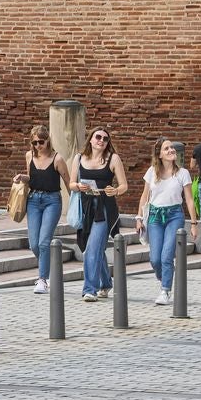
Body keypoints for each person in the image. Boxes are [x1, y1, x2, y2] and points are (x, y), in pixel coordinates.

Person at [136, 138, 195, 306]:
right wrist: (139, 218)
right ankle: (165, 277)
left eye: (172, 148)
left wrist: (194, 223)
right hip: (154, 216)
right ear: (159, 154)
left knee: (166, 255)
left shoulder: (182, 173)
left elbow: (189, 200)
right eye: (166, 148)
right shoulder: (151, 172)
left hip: (174, 215)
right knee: (155, 259)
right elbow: (144, 196)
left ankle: (165, 290)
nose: (171, 150)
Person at [72, 127, 127, 303]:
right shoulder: (79, 158)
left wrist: (115, 191)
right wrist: (78, 186)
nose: (101, 141)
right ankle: (105, 283)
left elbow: (124, 186)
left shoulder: (113, 159)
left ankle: (90, 289)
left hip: (104, 208)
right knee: (97, 248)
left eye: (105, 139)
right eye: (98, 137)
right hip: (86, 207)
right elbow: (72, 183)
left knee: (92, 249)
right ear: (90, 139)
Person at [15, 124, 70, 293]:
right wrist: (21, 177)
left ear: (48, 141)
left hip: (52, 201)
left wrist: (76, 205)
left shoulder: (57, 159)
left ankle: (42, 279)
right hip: (33, 200)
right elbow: (31, 178)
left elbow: (68, 182)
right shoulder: (29, 156)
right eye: (35, 143)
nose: (38, 146)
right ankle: (48, 269)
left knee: (44, 241)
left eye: (41, 142)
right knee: (34, 244)